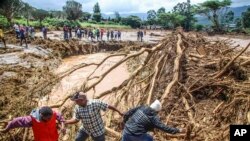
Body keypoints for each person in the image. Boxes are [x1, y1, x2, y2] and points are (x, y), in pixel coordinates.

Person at [0, 106, 66, 141]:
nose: (50, 119)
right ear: (42, 116)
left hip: (54, 139)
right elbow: (17, 121)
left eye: (51, 117)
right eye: (48, 118)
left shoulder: (52, 114)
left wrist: (63, 126)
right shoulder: (33, 119)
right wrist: (7, 129)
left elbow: (59, 116)